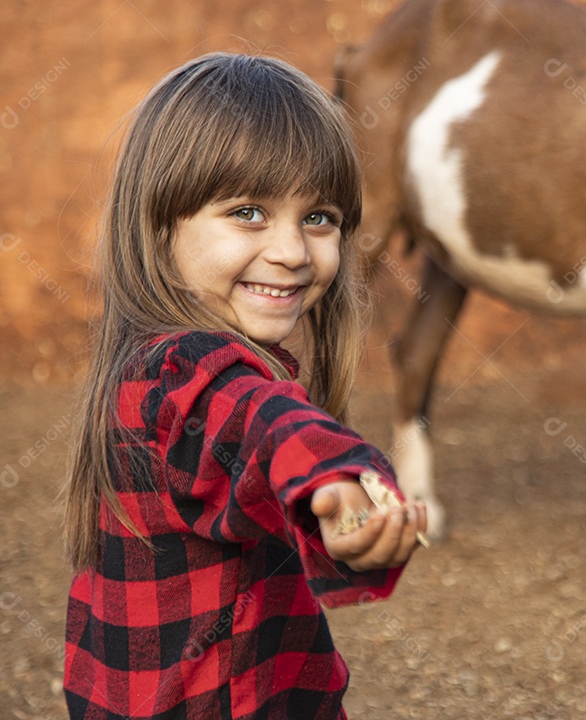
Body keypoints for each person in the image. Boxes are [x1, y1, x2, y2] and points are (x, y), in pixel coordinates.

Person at [61, 52, 426, 719]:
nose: (291, 251)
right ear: (160, 225)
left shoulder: (144, 365)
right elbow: (260, 425)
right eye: (249, 212)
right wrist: (336, 481)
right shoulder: (183, 372)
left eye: (319, 218)